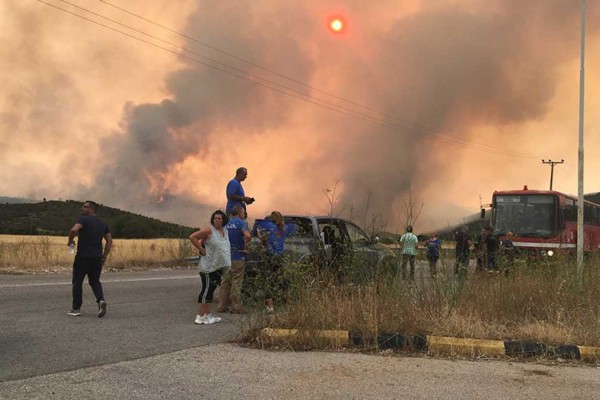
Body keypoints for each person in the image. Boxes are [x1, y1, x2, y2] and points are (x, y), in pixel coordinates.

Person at [67, 201, 112, 317]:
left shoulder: (83, 219)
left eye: (85, 207)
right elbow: (109, 241)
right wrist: (104, 256)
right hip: (97, 258)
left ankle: (76, 309)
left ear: (92, 209)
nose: (82, 208)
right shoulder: (103, 223)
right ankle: (101, 300)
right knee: (95, 281)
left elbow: (73, 230)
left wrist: (70, 241)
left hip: (83, 257)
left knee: (77, 282)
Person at [189, 210, 231, 325]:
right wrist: (201, 249)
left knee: (211, 290)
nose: (217, 220)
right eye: (215, 218)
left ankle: (207, 314)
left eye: (219, 218)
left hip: (219, 266)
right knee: (206, 290)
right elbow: (192, 237)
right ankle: (200, 316)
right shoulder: (209, 230)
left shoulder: (225, 231)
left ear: (223, 220)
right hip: (208, 266)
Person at [258, 211, 293, 313]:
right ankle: (285, 301)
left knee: (268, 281)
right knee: (280, 279)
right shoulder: (284, 228)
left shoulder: (269, 228)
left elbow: (264, 240)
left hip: (269, 257)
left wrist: (260, 237)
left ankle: (270, 306)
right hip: (279, 257)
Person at [219, 205, 251, 314]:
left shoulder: (226, 224)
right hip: (238, 256)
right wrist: (246, 248)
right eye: (243, 213)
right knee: (236, 281)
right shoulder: (241, 223)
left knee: (225, 281)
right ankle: (236, 307)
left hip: (226, 256)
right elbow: (248, 236)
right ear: (239, 212)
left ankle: (222, 306)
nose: (244, 215)